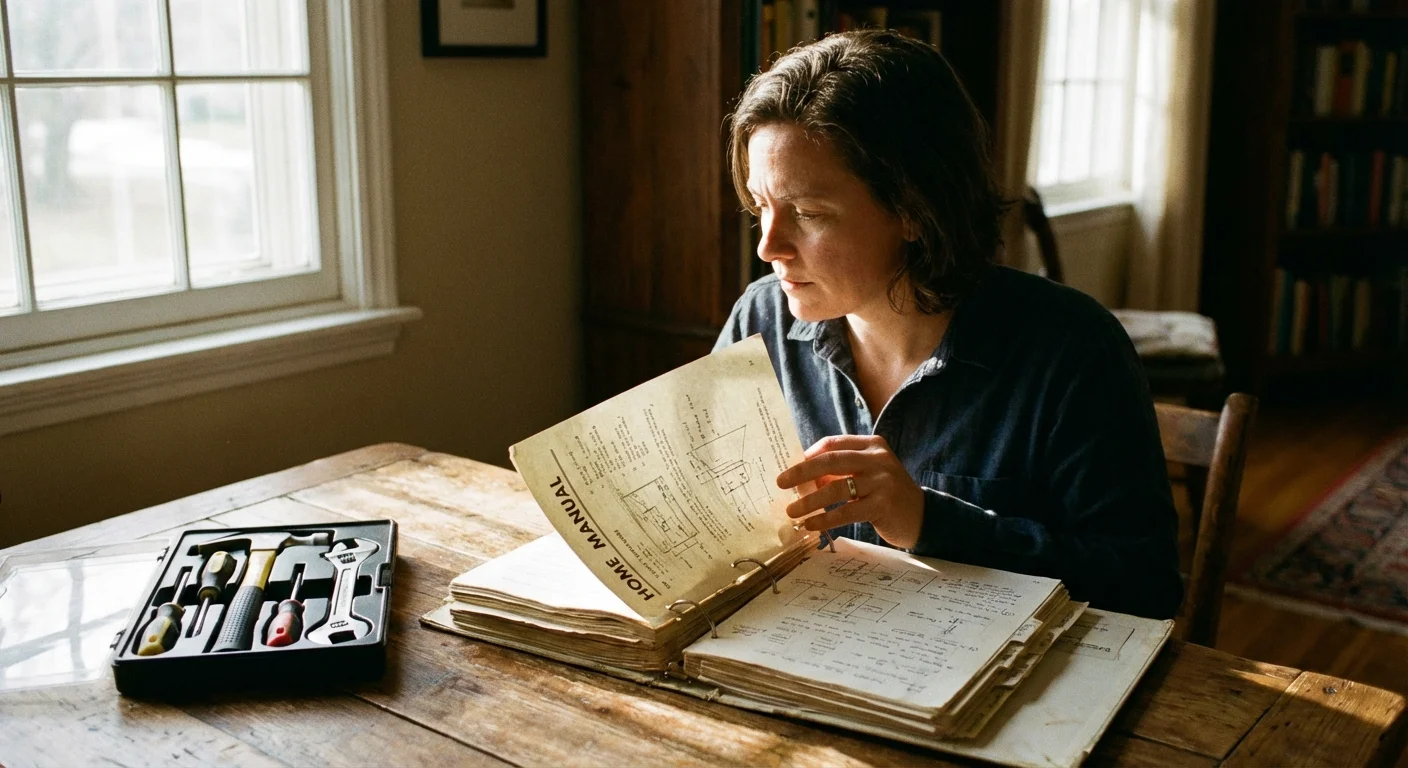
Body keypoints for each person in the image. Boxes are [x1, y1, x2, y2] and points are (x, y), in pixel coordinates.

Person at [713, 30, 1183, 620]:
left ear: (914, 209)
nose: (768, 246)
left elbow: (1145, 588)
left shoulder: (1072, 351)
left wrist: (931, 522)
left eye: (808, 213)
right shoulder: (760, 320)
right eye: (761, 205)